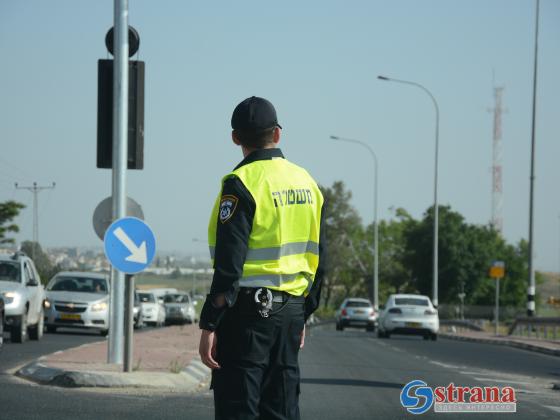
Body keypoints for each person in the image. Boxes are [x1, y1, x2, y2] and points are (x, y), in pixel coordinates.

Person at [198, 96, 327, 420]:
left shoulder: (241, 184)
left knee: (239, 407)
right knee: (282, 407)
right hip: (291, 313)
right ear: (278, 134)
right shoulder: (307, 183)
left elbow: (230, 264)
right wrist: (304, 311)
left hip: (247, 318)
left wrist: (209, 324)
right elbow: (319, 258)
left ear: (235, 138)